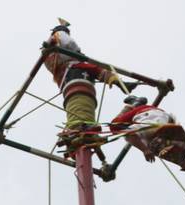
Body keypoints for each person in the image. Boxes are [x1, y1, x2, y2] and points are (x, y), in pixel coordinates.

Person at [42, 19, 129, 148]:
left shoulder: (49, 57)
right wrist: (77, 52)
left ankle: (78, 128)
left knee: (79, 105)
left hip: (69, 81)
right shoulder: (58, 37)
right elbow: (70, 43)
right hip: (76, 77)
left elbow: (98, 71)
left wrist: (117, 81)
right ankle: (78, 128)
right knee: (81, 104)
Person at [110, 95, 185, 172]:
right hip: (143, 112)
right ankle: (135, 103)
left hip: (159, 115)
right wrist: (145, 150)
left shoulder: (182, 142)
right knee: (114, 126)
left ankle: (136, 104)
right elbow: (129, 134)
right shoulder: (149, 131)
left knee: (125, 129)